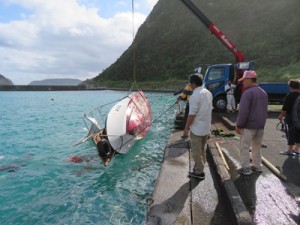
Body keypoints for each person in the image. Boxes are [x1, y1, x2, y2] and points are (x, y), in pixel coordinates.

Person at [236, 70, 268, 176]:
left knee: (244, 147)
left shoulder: (248, 93)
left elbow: (243, 112)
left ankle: (246, 168)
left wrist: (239, 125)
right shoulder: (263, 92)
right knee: (256, 147)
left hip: (249, 126)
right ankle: (257, 166)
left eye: (245, 80)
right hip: (260, 125)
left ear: (250, 79)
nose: (243, 82)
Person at [183, 74, 213, 180]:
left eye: (190, 83)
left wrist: (186, 127)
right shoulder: (208, 93)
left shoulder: (195, 95)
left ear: (194, 83)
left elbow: (192, 114)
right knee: (202, 149)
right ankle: (198, 167)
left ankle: (199, 172)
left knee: (196, 151)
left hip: (197, 129)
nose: (189, 85)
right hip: (206, 127)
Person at [278, 79, 300, 156]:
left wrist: (281, 115)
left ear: (290, 87)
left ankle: (290, 150)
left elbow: (285, 108)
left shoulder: (290, 96)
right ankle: (297, 149)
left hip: (290, 117)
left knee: (290, 132)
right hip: (298, 118)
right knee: (298, 132)